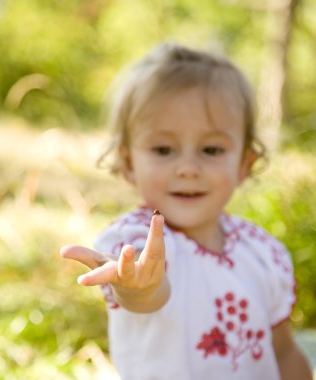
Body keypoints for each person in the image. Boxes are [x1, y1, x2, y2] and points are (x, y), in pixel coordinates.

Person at [60, 43, 312, 380]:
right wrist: (137, 288)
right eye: (164, 149)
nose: (188, 168)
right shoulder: (135, 241)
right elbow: (149, 292)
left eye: (211, 149)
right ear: (128, 162)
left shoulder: (263, 252)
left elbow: (282, 351)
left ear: (244, 163)